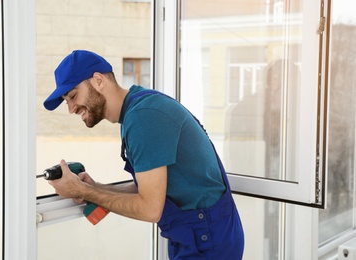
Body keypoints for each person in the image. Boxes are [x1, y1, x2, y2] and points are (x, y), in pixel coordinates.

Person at [43, 50, 244, 259]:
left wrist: (84, 191)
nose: (70, 108)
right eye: (66, 100)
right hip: (198, 234)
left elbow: (150, 208)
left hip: (207, 239)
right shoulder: (138, 108)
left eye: (73, 96)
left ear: (98, 80)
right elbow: (152, 188)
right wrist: (95, 187)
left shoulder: (143, 117)